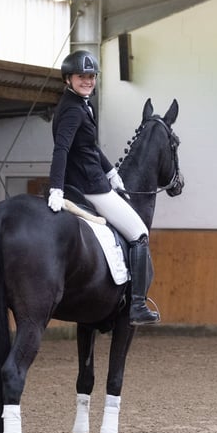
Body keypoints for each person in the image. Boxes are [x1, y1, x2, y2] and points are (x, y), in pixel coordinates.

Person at [47, 49, 159, 325]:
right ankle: (136, 305)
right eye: (81, 77)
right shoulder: (73, 110)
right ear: (67, 79)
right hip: (89, 187)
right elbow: (61, 149)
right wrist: (55, 189)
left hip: (93, 178)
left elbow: (89, 147)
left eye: (91, 76)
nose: (87, 81)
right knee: (139, 233)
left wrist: (111, 172)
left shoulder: (81, 104)